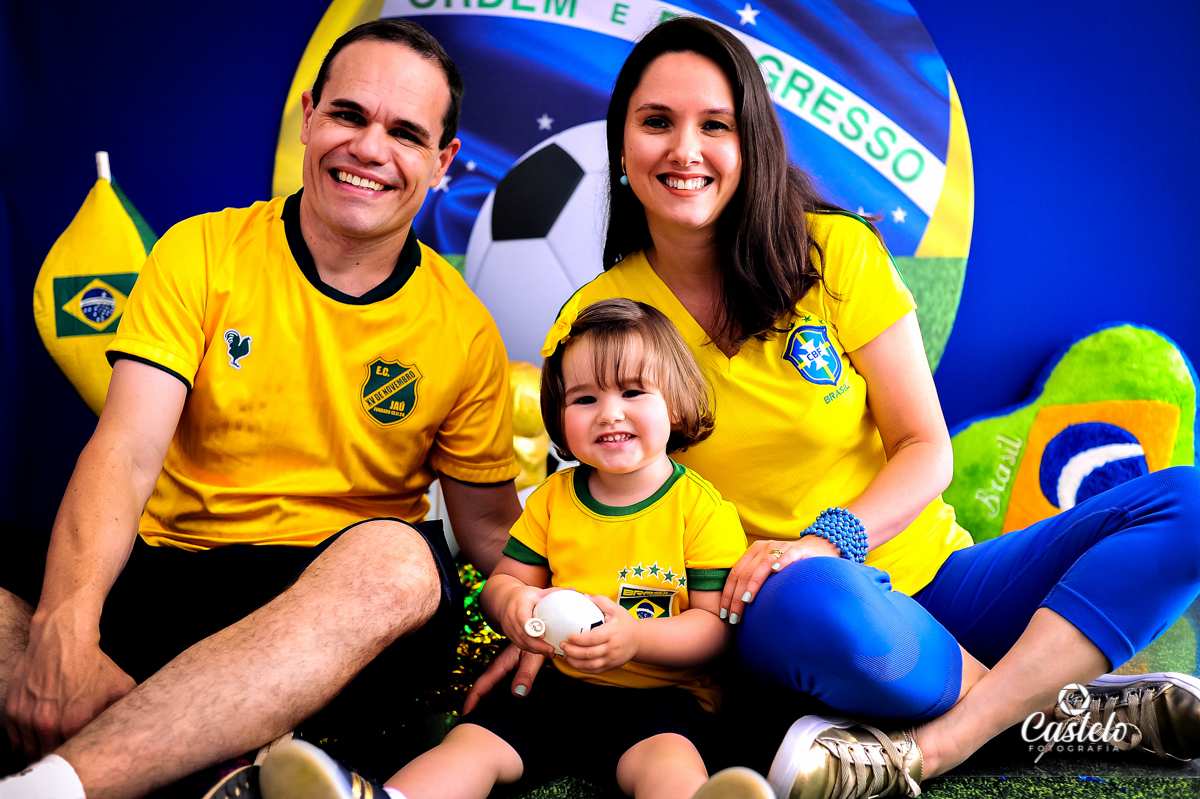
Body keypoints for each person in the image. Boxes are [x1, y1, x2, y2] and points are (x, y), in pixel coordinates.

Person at [467, 16, 1200, 799]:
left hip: (939, 583)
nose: (685, 149)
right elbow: (594, 505)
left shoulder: (835, 253)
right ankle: (1051, 704)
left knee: (1186, 502)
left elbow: (926, 447)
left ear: (752, 143)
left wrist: (826, 538)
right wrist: (547, 617)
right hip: (783, 617)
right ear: (621, 147)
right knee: (816, 596)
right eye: (657, 122)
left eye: (714, 125)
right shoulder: (596, 320)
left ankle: (948, 739)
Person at [0, 19, 524, 799]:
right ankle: (203, 763)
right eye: (349, 114)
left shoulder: (465, 329)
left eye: (405, 133)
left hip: (334, 622)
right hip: (170, 581)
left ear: (442, 162)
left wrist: (547, 613)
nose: (370, 148)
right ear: (309, 116)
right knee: (33, 603)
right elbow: (127, 450)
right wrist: (64, 630)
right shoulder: (201, 251)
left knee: (403, 561)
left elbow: (489, 531)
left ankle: (53, 785)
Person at [252, 299, 773, 799]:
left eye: (633, 392)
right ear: (559, 415)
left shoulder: (700, 509)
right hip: (553, 687)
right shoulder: (553, 498)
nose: (608, 414)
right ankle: (389, 797)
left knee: (668, 765)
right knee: (469, 747)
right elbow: (501, 584)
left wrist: (635, 638)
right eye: (585, 399)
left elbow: (714, 632)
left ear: (676, 403)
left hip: (661, 701)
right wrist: (514, 606)